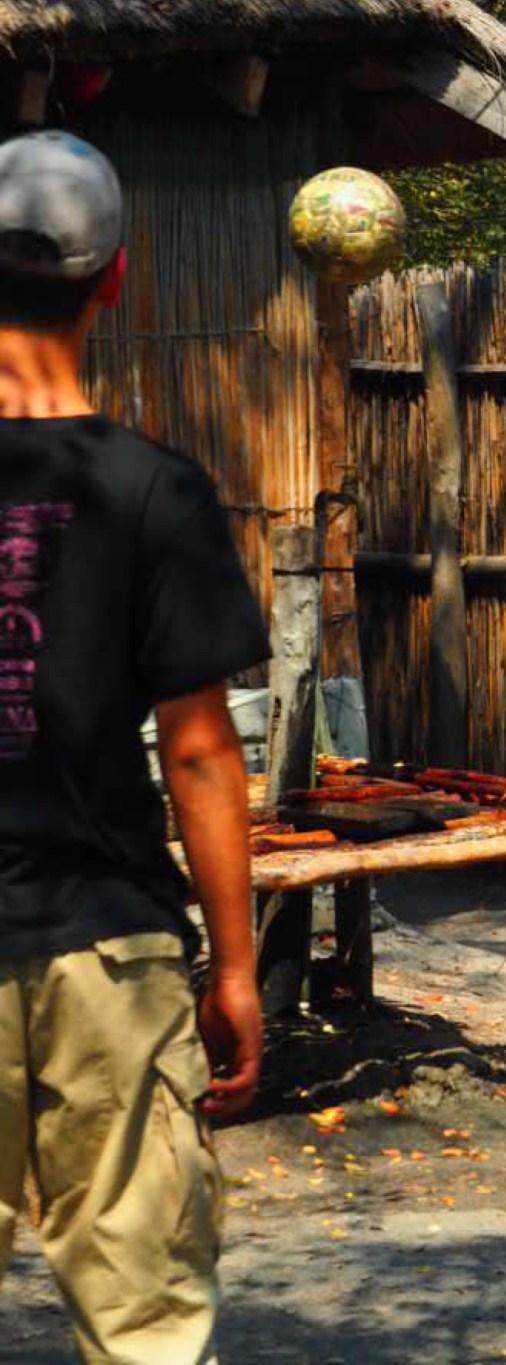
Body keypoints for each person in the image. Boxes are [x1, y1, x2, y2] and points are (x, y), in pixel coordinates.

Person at [0, 131, 270, 1361]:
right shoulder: (158, 491)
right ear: (116, 280)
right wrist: (234, 964)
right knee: (145, 1323)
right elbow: (202, 752)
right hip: (105, 953)